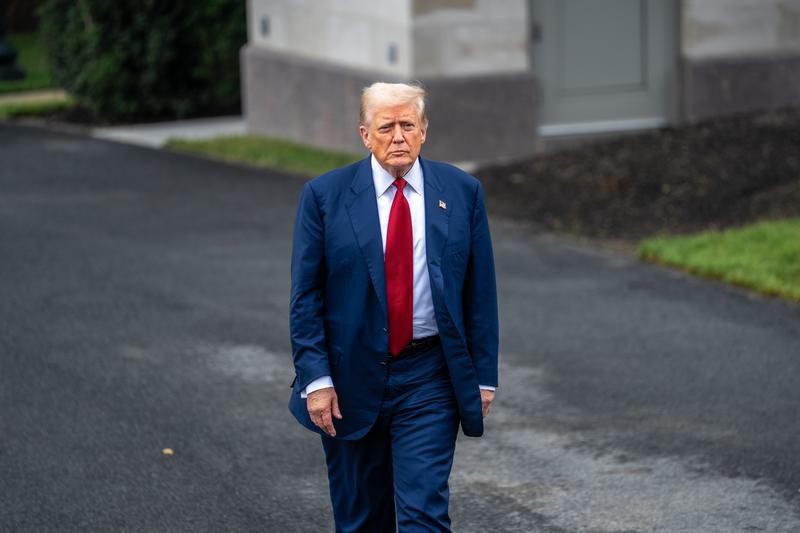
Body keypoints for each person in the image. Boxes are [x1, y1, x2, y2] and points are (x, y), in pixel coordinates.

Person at [289, 82, 498, 532]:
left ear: (424, 131)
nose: (398, 137)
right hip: (349, 377)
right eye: (386, 127)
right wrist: (317, 380)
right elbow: (306, 298)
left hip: (429, 376)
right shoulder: (325, 197)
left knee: (425, 515)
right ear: (365, 135)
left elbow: (479, 291)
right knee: (362, 520)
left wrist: (483, 376)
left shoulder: (462, 192)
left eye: (408, 125)